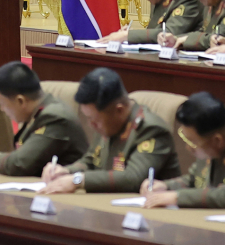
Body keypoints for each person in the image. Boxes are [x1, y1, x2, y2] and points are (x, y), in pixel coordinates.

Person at [39, 67, 180, 194]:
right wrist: (65, 171)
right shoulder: (108, 122)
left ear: (119, 110)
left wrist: (77, 180)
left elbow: (133, 178)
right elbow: (90, 161)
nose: (91, 125)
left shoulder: (151, 129)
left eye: (94, 120)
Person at [0, 61, 88, 175]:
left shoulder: (55, 117)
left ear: (20, 101)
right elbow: (24, 155)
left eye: (2, 103)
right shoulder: (38, 111)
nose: (2, 109)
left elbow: (21, 163)